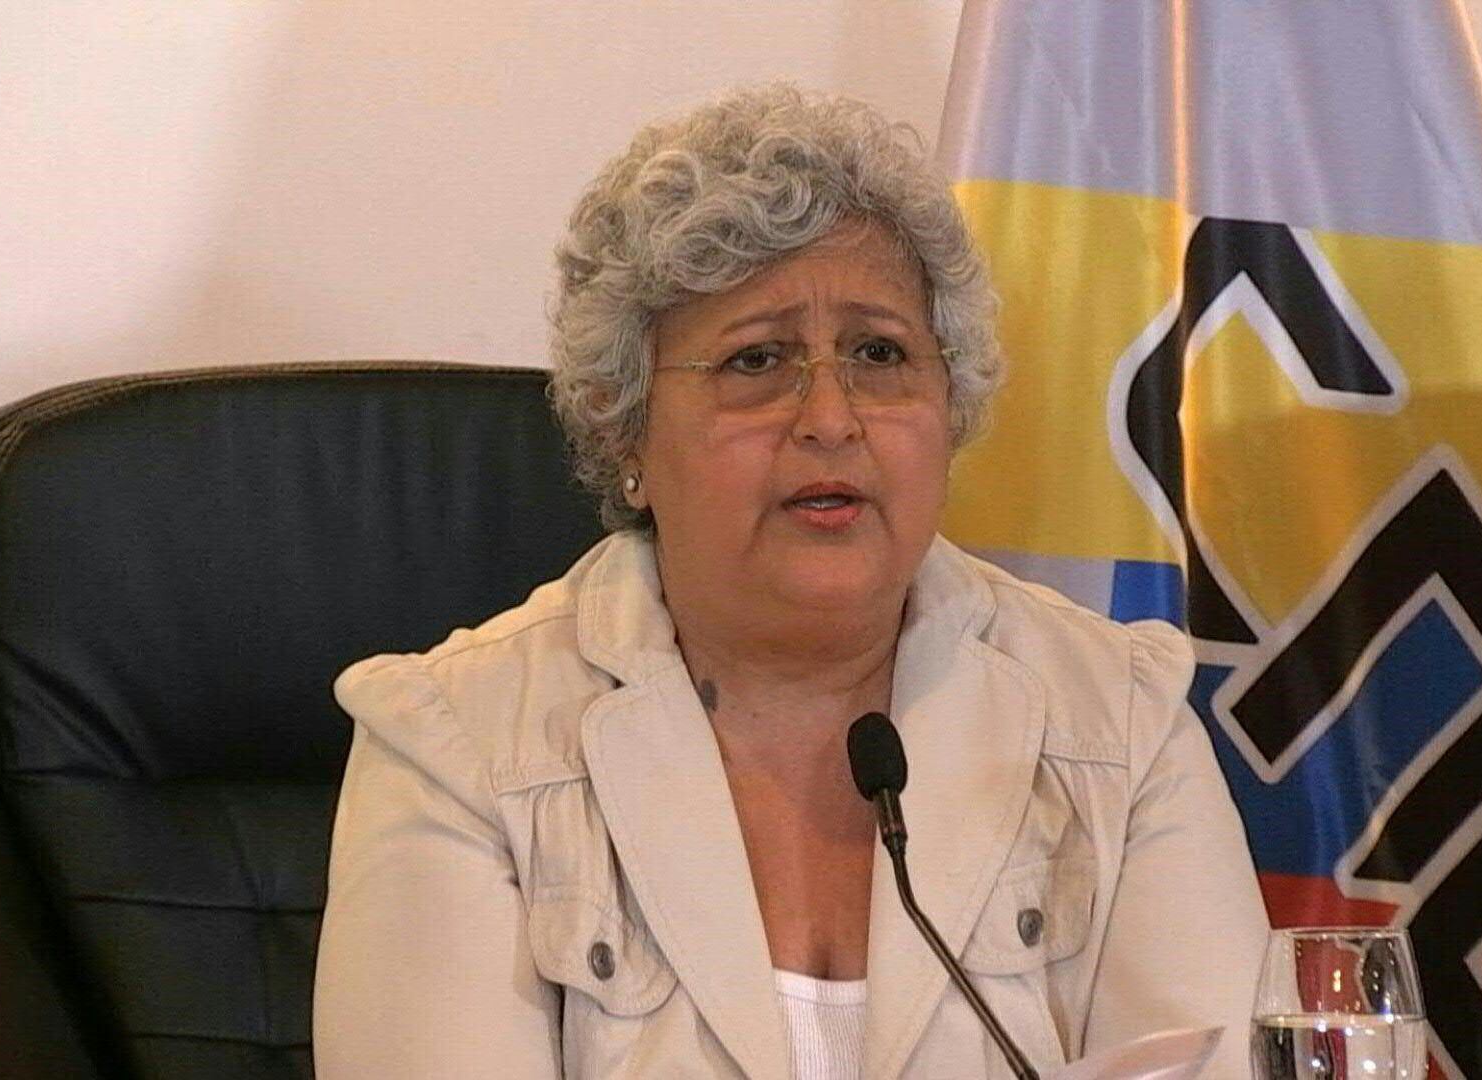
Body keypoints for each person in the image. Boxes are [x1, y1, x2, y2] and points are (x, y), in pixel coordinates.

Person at [312, 84, 1268, 1079]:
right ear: (624, 427)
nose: (830, 418)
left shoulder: (1118, 722)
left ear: (951, 405)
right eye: (756, 360)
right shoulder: (459, 745)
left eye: (879, 353)